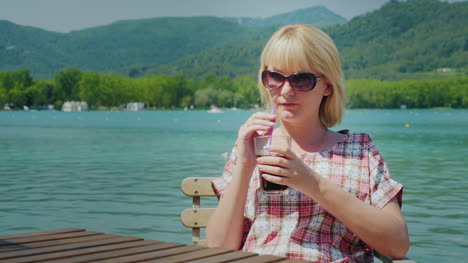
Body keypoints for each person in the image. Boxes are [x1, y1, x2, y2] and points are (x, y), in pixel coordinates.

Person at [206, 24, 409, 262]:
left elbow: (397, 245)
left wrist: (312, 183)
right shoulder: (253, 146)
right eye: (275, 77)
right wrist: (244, 165)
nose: (286, 90)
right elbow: (218, 248)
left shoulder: (359, 150)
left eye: (301, 79)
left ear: (327, 86)